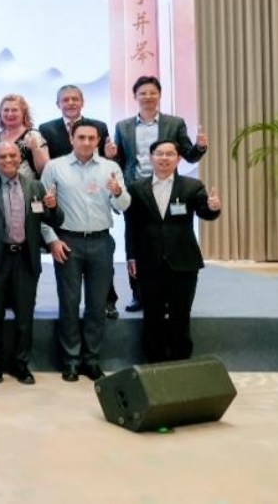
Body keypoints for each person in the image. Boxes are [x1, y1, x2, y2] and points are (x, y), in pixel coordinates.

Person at [41, 119, 131, 382]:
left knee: (97, 305)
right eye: (81, 137)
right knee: (69, 304)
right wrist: (52, 240)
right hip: (68, 241)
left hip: (102, 242)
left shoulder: (110, 168)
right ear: (71, 139)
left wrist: (118, 193)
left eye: (92, 138)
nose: (87, 142)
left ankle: (91, 359)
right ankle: (70, 360)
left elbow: (123, 206)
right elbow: (42, 209)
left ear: (98, 141)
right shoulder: (54, 167)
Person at [113, 75, 209, 313]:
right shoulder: (123, 126)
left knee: (167, 237)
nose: (147, 96)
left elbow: (188, 155)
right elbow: (119, 161)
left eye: (152, 92)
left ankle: (168, 292)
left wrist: (200, 147)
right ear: (135, 96)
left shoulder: (174, 123)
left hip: (167, 186)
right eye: (142, 93)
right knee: (134, 238)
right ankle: (138, 294)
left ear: (159, 95)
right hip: (136, 190)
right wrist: (111, 158)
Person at [125, 139, 222, 362]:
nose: (164, 158)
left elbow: (205, 212)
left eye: (170, 154)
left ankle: (181, 363)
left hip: (184, 261)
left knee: (181, 315)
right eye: (159, 153)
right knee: (152, 315)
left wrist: (212, 208)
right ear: (151, 158)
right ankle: (154, 363)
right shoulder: (136, 188)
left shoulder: (192, 186)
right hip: (149, 261)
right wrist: (131, 256)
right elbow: (132, 225)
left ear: (178, 159)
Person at [0, 142, 62, 385]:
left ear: (20, 157)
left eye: (12, 155)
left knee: (25, 317)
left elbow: (53, 220)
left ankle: (21, 365)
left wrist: (53, 207)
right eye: (2, 156)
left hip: (25, 259)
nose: (8, 160)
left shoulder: (34, 186)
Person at [39, 84, 121, 320]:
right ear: (58, 104)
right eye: (65, 99)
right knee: (69, 286)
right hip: (63, 193)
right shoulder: (46, 128)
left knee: (101, 267)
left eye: (75, 99)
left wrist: (111, 157)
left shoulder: (99, 126)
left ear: (82, 102)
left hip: (94, 196)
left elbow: (105, 162)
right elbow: (46, 163)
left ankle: (108, 301)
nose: (71, 103)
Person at [0, 93, 50, 180]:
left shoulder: (33, 135)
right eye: (6, 110)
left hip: (27, 187)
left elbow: (46, 170)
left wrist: (36, 149)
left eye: (14, 110)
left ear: (23, 113)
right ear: (0, 112)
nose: (10, 114)